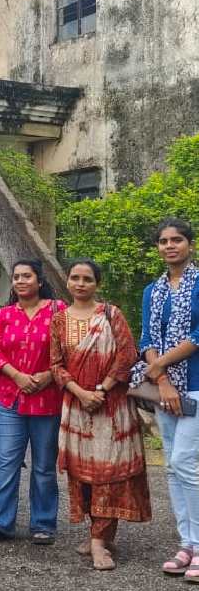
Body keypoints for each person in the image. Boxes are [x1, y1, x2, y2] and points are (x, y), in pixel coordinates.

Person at [51, 259, 151, 571]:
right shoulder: (59, 320)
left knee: (108, 474)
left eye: (87, 279)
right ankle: (100, 534)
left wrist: (101, 390)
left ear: (97, 284)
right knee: (83, 474)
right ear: (68, 281)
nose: (81, 284)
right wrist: (81, 393)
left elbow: (126, 355)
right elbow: (56, 365)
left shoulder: (111, 314)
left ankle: (98, 542)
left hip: (112, 408)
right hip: (77, 408)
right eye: (75, 278)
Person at [0, 259, 66, 546]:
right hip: (11, 398)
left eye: (27, 276)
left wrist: (48, 376)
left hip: (47, 399)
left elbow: (68, 351)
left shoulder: (58, 311)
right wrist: (18, 376)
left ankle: (43, 524)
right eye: (16, 277)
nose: (21, 281)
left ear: (39, 280)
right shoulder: (3, 314)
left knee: (44, 466)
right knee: (5, 462)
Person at [135, 218, 199, 578]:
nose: (170, 245)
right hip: (164, 387)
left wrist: (159, 367)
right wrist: (161, 380)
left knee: (184, 461)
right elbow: (146, 338)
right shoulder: (152, 291)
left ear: (190, 244)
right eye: (163, 241)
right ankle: (186, 544)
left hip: (195, 384)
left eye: (177, 239)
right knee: (173, 468)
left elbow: (198, 334)